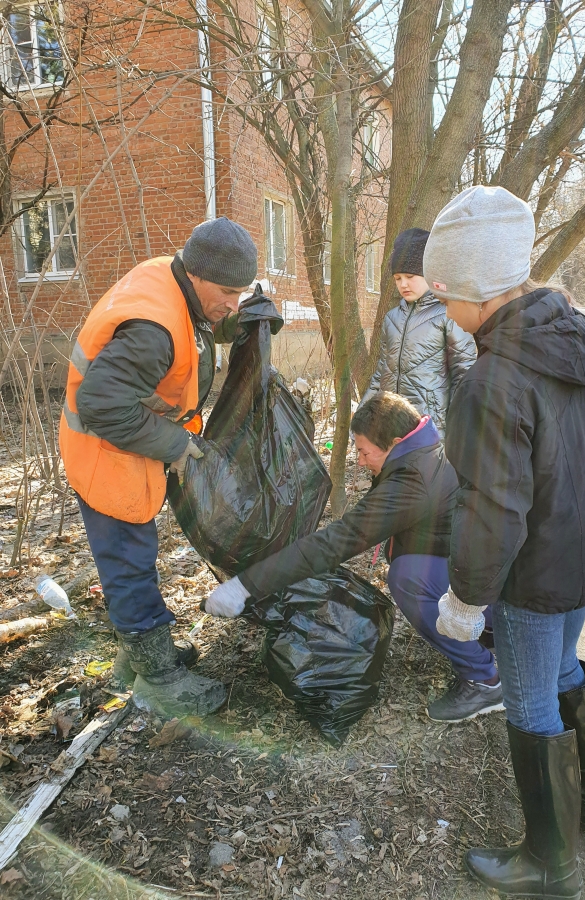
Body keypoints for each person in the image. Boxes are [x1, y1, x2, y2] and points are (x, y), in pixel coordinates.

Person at [423, 185, 585, 899]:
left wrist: (465, 599)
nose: (441, 310)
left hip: (535, 571)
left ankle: (550, 865)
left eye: (442, 292)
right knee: (566, 669)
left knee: (529, 702)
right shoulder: (575, 333)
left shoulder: (490, 380)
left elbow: (492, 511)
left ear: (473, 288)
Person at [59, 217, 258, 719]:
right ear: (197, 274)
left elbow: (198, 330)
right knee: (129, 561)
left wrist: (248, 317)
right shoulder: (153, 328)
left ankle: (138, 656)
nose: (232, 304)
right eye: (229, 291)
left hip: (125, 448)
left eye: (243, 292)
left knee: (132, 558)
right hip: (107, 456)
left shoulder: (170, 280)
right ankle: (161, 679)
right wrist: (174, 443)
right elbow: (101, 404)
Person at [203, 391, 504, 722]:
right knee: (405, 561)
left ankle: (484, 679)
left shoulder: (413, 480)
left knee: (407, 578)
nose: (359, 461)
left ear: (393, 442)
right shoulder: (421, 450)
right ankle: (489, 632)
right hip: (481, 572)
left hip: (490, 587)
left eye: (363, 451)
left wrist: (246, 585)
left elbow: (340, 541)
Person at [360, 228, 475, 441]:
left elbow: (465, 374)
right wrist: (362, 415)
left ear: (429, 274)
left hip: (431, 430)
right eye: (397, 278)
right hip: (391, 426)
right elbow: (381, 372)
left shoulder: (449, 314)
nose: (403, 284)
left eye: (410, 276)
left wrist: (459, 429)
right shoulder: (391, 319)